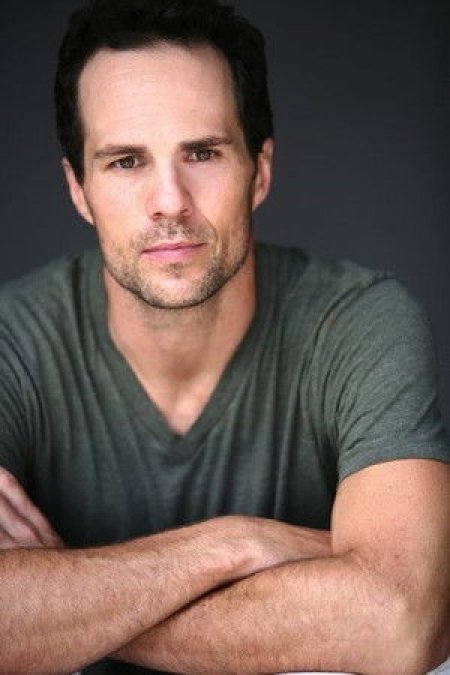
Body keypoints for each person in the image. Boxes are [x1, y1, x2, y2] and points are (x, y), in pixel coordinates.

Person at [0, 0, 449, 673]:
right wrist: (233, 545)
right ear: (78, 189)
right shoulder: (11, 342)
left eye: (203, 153)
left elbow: (401, 620)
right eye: (125, 161)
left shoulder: (360, 321)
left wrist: (57, 604)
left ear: (259, 171)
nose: (170, 201)